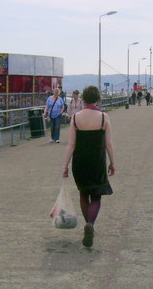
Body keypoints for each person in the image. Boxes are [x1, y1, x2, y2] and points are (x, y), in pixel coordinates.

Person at [62, 86, 115, 247]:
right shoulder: (103, 118)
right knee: (96, 196)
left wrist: (65, 166)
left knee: (84, 194)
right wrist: (112, 163)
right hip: (97, 162)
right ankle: (90, 224)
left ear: (83, 99)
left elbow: (71, 145)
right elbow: (109, 144)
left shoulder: (76, 117)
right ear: (98, 99)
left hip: (80, 162)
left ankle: (88, 224)